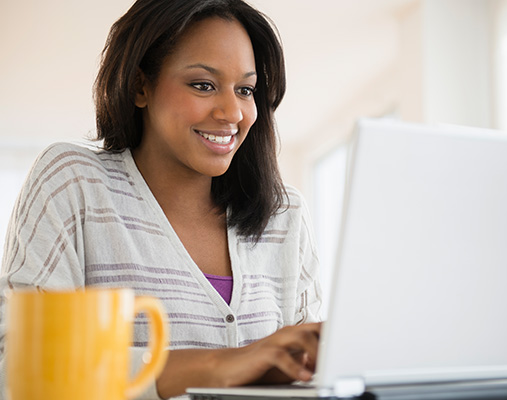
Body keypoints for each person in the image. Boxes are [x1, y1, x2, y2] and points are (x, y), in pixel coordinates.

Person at [0, 0, 323, 399]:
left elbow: (311, 375)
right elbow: (20, 370)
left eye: (245, 89)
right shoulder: (74, 183)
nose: (232, 112)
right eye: (203, 85)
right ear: (140, 86)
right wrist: (218, 366)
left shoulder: (285, 217)